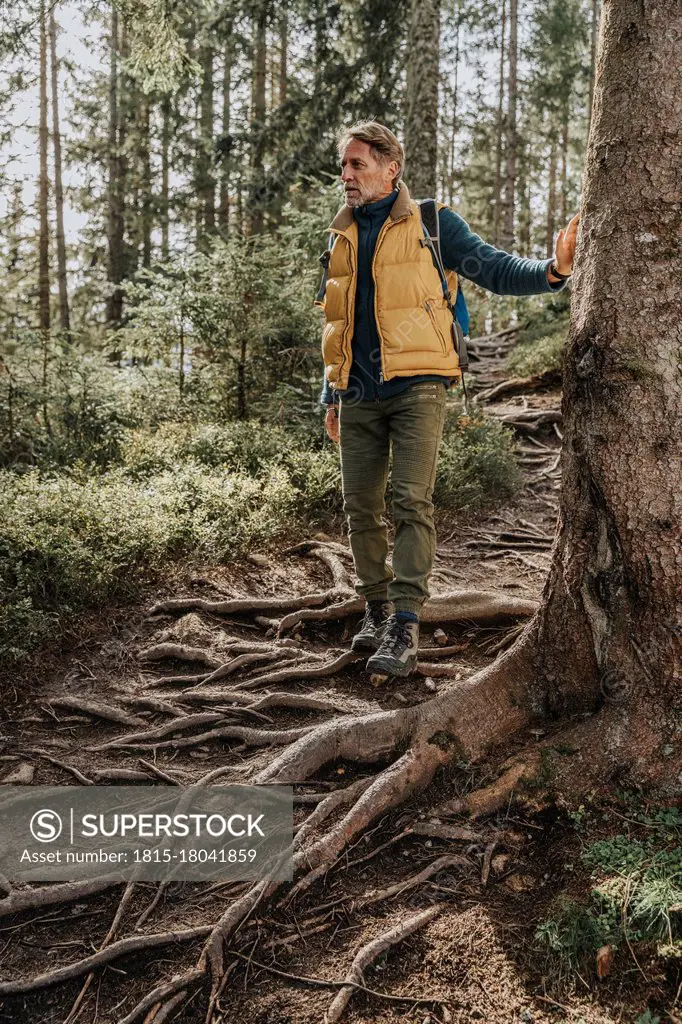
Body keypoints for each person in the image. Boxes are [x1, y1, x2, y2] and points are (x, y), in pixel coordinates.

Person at [317, 120, 579, 678]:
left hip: (418, 386)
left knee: (411, 500)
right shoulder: (339, 234)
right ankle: (375, 609)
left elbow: (498, 269)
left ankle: (406, 624)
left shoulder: (433, 224)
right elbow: (336, 320)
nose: (347, 175)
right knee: (360, 508)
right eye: (344, 165)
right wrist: (330, 394)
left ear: (392, 168)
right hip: (357, 393)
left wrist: (555, 269)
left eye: (357, 164)